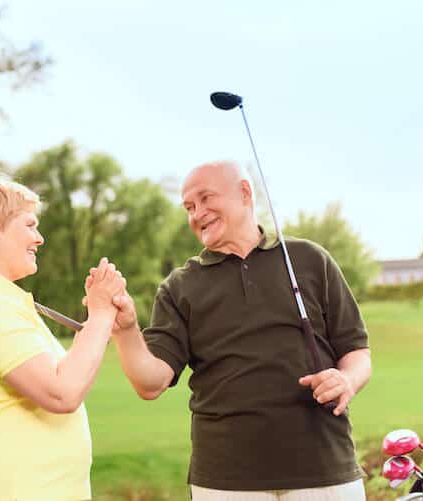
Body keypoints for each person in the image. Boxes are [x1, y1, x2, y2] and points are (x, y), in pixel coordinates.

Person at [98, 160, 372, 500]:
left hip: (325, 471)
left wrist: (346, 380)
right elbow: (149, 383)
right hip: (225, 482)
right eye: (189, 207)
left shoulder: (310, 259)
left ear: (244, 192)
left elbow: (357, 353)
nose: (198, 213)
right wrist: (125, 331)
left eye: (206, 198)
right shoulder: (180, 286)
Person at [0, 171, 124, 501]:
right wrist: (99, 316)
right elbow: (62, 393)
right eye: (29, 225)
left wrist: (98, 329)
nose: (39, 238)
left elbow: (63, 374)